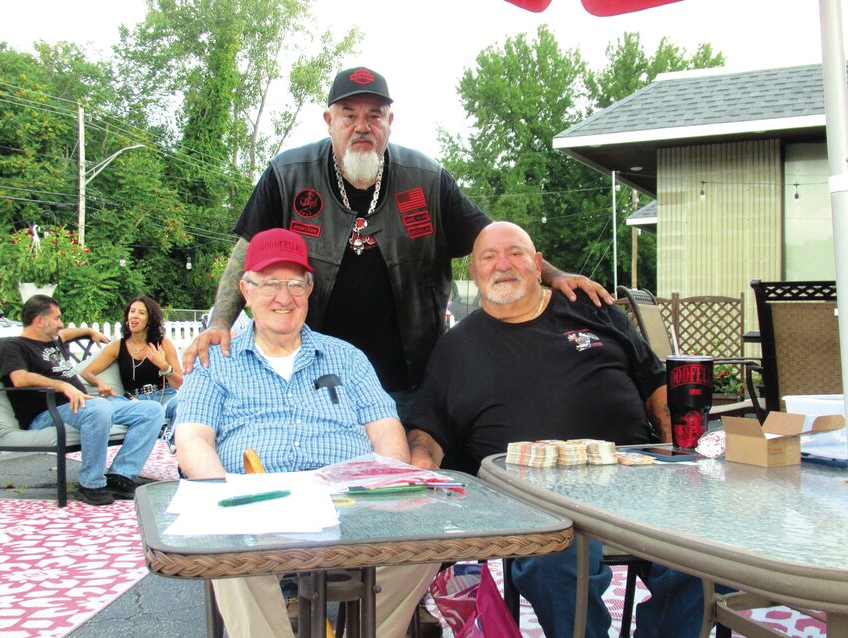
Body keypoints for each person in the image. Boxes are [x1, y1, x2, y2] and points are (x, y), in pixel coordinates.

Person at [183, 65, 613, 420]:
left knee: (400, 491)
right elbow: (248, 250)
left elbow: (492, 239)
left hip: (410, 378)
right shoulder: (288, 174)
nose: (362, 126)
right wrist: (220, 323)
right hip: (312, 375)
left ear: (391, 121)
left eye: (374, 115)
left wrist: (551, 274)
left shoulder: (427, 178)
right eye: (349, 115)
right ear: (328, 121)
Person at [405, 222, 711, 638]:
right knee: (553, 561)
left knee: (704, 555)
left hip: (637, 477)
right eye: (489, 257)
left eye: (515, 253)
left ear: (537, 263)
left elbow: (655, 381)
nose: (503, 265)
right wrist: (422, 468)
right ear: (474, 272)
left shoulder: (592, 309)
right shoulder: (457, 347)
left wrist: (682, 451)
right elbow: (428, 428)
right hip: (537, 497)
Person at [174, 228, 439, 638]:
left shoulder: (347, 357)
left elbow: (387, 430)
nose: (284, 297)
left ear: (310, 288)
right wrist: (224, 495)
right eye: (270, 283)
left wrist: (387, 485)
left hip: (348, 503)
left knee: (425, 539)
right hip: (255, 503)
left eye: (295, 283)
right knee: (228, 552)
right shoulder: (216, 361)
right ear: (246, 289)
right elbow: (192, 438)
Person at [0, 295, 165, 506]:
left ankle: (120, 475)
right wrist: (63, 386)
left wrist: (89, 331)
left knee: (153, 410)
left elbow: (67, 333)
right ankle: (90, 484)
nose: (61, 324)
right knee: (99, 408)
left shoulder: (52, 340)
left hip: (82, 405)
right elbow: (19, 378)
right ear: (39, 321)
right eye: (57, 318)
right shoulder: (13, 346)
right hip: (48, 412)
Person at [81, 295, 182, 422]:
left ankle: (170, 438)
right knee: (111, 403)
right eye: (132, 311)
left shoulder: (163, 344)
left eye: (141, 313)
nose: (134, 316)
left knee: (183, 403)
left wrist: (164, 366)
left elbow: (180, 384)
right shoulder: (118, 346)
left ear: (150, 320)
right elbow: (86, 372)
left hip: (165, 397)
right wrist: (99, 382)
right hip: (136, 402)